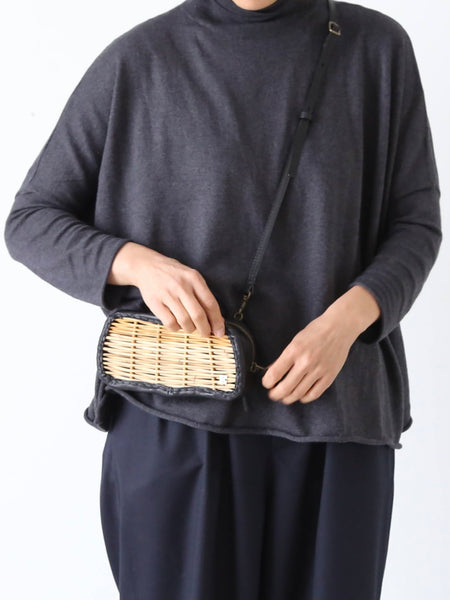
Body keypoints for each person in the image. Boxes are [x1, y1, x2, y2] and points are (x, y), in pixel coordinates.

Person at [4, 0, 442, 598]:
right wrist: (137, 264)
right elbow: (31, 220)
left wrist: (348, 321)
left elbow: (415, 224)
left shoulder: (375, 48)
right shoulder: (141, 59)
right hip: (176, 416)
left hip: (336, 416)